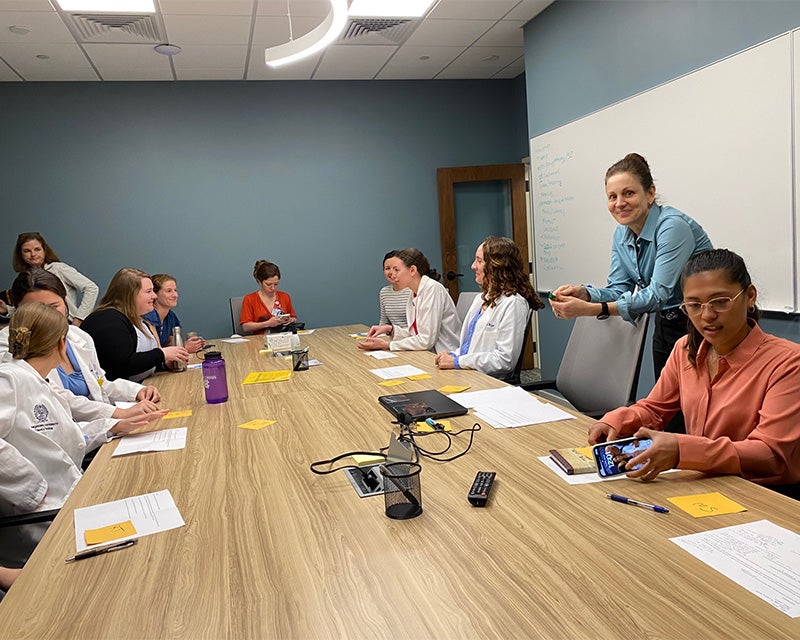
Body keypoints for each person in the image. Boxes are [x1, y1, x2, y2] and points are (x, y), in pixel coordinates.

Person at [588, 249, 800, 493]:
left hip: (763, 494)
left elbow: (770, 454)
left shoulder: (788, 363)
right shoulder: (684, 349)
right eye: (694, 305)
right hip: (705, 484)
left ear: (750, 296)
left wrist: (682, 450)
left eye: (721, 302)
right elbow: (655, 408)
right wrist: (619, 420)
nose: (707, 316)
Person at [0, 303, 164, 567]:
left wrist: (111, 427)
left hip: (68, 500)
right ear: (61, 344)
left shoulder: (40, 381)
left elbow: (68, 434)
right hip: (42, 518)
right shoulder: (9, 379)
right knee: (145, 548)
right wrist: (32, 487)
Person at [549, 153, 713, 382]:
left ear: (650, 193)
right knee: (669, 409)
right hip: (665, 323)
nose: (619, 203)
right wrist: (585, 294)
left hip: (704, 325)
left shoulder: (672, 226)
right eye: (612, 196)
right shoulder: (621, 234)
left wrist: (593, 310)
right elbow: (618, 289)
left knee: (698, 411)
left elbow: (657, 295)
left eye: (629, 193)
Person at [1, 268, 161, 407]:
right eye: (35, 309)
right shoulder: (7, 346)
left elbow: (99, 383)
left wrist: (136, 391)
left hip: (100, 429)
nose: (46, 315)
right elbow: (56, 403)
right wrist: (115, 416)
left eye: (53, 306)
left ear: (65, 304)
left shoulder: (78, 337)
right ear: (17, 310)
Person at [435, 237, 543, 382]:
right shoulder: (481, 298)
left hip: (489, 382)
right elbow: (471, 348)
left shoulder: (514, 303)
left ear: (496, 266)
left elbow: (505, 360)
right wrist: (454, 355)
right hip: (468, 374)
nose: (473, 266)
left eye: (479, 261)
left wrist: (458, 362)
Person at [82, 268, 189, 382]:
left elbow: (142, 362)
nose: (154, 296)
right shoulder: (108, 320)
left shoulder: (137, 319)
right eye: (148, 291)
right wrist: (162, 354)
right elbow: (123, 365)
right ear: (130, 294)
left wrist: (164, 364)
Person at [359, 248, 460, 353]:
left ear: (412, 270)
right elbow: (415, 334)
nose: (392, 274)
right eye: (389, 269)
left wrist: (388, 345)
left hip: (444, 354)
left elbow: (426, 340)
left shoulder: (432, 289)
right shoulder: (413, 293)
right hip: (425, 353)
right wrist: (391, 329)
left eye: (397, 270)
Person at [12, 232, 99, 326]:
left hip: (65, 324)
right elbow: (28, 308)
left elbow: (91, 288)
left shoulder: (58, 269)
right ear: (20, 254)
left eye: (37, 249)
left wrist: (79, 319)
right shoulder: (24, 277)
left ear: (44, 250)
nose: (33, 254)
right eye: (27, 251)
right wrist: (6, 310)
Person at [143, 274, 205, 353]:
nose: (175, 295)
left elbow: (170, 343)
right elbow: (157, 352)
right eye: (169, 291)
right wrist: (184, 348)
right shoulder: (149, 317)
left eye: (175, 290)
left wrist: (193, 344)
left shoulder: (170, 316)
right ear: (155, 294)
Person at [240, 260, 297, 335]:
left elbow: (294, 318)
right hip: (259, 341)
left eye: (276, 284)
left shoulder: (285, 296)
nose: (273, 288)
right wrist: (268, 323)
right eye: (268, 284)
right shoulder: (250, 299)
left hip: (283, 338)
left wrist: (290, 320)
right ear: (259, 282)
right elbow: (246, 327)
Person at [378, 250, 411, 329]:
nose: (391, 272)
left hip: (412, 339)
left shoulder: (413, 290)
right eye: (387, 268)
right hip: (392, 338)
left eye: (396, 269)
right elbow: (384, 322)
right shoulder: (384, 292)